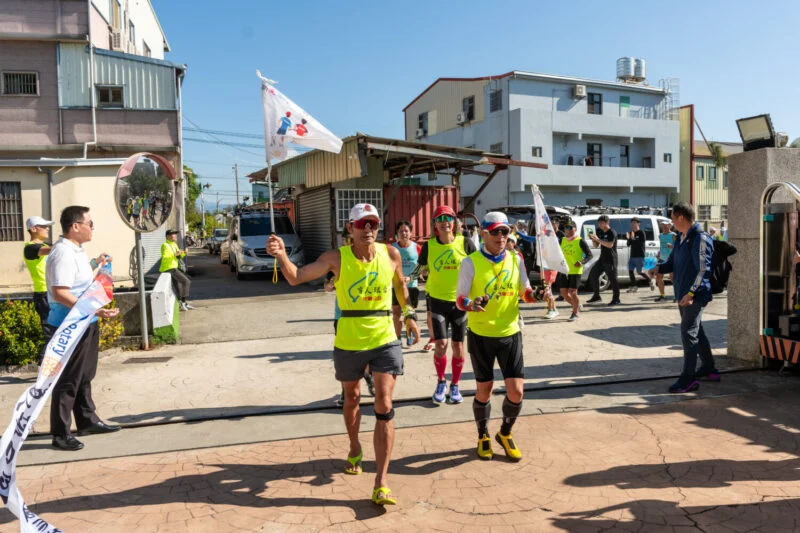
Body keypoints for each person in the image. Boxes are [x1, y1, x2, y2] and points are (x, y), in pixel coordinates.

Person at [267, 203, 420, 506]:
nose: (368, 229)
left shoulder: (391, 254)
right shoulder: (336, 258)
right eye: (362, 224)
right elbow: (297, 276)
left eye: (373, 224)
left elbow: (400, 286)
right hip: (349, 338)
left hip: (384, 337)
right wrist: (282, 254)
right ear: (350, 229)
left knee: (384, 402)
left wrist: (410, 314)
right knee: (351, 398)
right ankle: (354, 446)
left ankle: (381, 482)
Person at [456, 212, 546, 461]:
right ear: (483, 233)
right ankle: (483, 434)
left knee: (516, 391)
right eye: (495, 231)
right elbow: (460, 299)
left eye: (505, 232)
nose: (501, 236)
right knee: (484, 390)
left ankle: (504, 433)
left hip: (510, 332)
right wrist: (471, 304)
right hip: (481, 334)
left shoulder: (516, 259)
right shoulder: (470, 262)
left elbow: (525, 292)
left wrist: (537, 295)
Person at [45, 206, 121, 451]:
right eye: (90, 223)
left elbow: (80, 279)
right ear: (75, 226)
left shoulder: (76, 249)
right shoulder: (62, 252)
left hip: (86, 320)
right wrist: (94, 310)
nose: (93, 227)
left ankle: (87, 421)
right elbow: (60, 292)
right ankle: (60, 433)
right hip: (69, 324)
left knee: (85, 375)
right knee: (68, 380)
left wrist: (96, 265)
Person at [649, 202, 719, 393]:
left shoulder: (700, 238)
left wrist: (690, 294)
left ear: (681, 218)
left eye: (672, 218)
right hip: (683, 294)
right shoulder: (681, 237)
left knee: (688, 333)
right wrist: (658, 268)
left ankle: (688, 379)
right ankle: (708, 368)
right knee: (697, 330)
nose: (671, 223)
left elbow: (703, 270)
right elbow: (672, 262)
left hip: (694, 295)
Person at [411, 205, 477, 404]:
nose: (445, 222)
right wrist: (408, 278)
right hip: (437, 301)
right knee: (441, 344)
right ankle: (441, 381)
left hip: (461, 302)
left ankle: (455, 386)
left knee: (458, 347)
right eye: (440, 219)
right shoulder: (430, 246)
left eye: (449, 218)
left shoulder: (465, 243)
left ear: (454, 223)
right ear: (435, 225)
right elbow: (420, 268)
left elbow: (479, 267)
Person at [391, 221, 422, 344]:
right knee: (396, 313)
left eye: (406, 231)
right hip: (395, 286)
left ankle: (409, 334)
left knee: (408, 313)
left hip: (411, 286)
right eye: (401, 231)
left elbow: (422, 267)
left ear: (411, 233)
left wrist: (411, 277)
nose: (403, 233)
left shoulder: (417, 248)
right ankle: (397, 338)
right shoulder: (392, 248)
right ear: (397, 233)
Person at [557, 219, 593, 321]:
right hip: (564, 270)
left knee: (573, 293)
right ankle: (577, 305)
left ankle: (575, 312)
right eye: (565, 228)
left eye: (569, 228)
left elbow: (590, 255)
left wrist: (581, 262)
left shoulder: (580, 241)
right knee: (564, 293)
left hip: (575, 271)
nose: (567, 230)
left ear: (575, 229)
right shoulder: (562, 240)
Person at [23, 216, 54, 328]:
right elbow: (55, 249)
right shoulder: (30, 248)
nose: (47, 229)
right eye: (44, 226)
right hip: (43, 294)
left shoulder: (46, 246)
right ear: (34, 229)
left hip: (54, 291)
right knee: (51, 332)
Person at [587, 215, 621, 306]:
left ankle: (616, 299)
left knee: (613, 279)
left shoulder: (612, 232)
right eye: (599, 223)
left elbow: (610, 245)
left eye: (602, 223)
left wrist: (598, 239)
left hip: (611, 259)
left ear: (607, 223)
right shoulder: (599, 231)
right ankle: (596, 296)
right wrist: (593, 240)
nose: (600, 225)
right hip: (602, 258)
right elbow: (596, 246)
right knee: (593, 274)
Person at [160, 229, 195, 311]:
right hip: (168, 268)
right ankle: (183, 303)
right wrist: (175, 254)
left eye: (175, 234)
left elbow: (178, 257)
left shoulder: (174, 244)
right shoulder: (165, 245)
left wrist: (184, 253)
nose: (175, 236)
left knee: (178, 286)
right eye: (173, 234)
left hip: (173, 267)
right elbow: (165, 257)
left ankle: (182, 303)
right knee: (186, 281)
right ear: (168, 236)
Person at [625, 217, 655, 293]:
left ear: (638, 223)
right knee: (630, 271)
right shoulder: (631, 232)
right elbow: (628, 244)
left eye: (635, 222)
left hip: (639, 255)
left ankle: (651, 281)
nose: (633, 224)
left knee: (639, 272)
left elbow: (641, 243)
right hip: (632, 255)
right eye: (632, 223)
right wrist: (629, 239)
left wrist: (633, 238)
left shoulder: (641, 232)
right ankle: (634, 286)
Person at [656, 222, 676, 302]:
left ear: (670, 226)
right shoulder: (660, 235)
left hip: (671, 259)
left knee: (672, 278)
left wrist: (672, 247)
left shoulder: (673, 235)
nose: (664, 227)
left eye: (666, 225)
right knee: (658, 277)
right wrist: (659, 253)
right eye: (663, 225)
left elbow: (678, 248)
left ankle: (677, 295)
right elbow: (661, 246)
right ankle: (662, 296)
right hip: (662, 259)